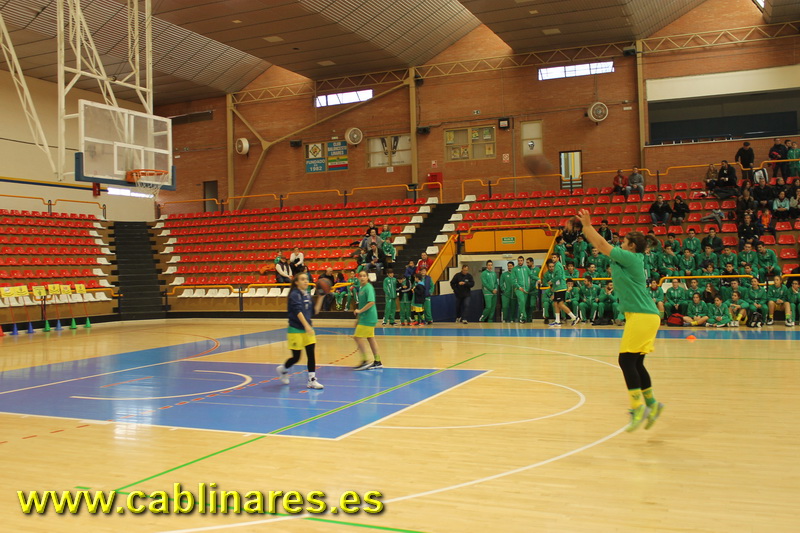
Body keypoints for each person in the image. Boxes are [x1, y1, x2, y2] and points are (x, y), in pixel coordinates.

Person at [575, 209, 665, 431]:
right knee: (636, 362)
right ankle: (652, 404)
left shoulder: (631, 257)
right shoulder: (630, 258)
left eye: (623, 242)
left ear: (632, 246)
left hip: (643, 316)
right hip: (643, 315)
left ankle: (637, 408)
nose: (620, 244)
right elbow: (604, 248)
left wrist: (587, 226)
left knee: (625, 361)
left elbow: (602, 245)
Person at [276, 272, 323, 390]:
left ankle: (312, 380)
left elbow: (315, 311)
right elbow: (298, 312)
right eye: (302, 279)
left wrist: (321, 297)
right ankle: (283, 369)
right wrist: (306, 326)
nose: (306, 281)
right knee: (296, 357)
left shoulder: (307, 295)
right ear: (296, 282)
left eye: (306, 279)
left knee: (311, 354)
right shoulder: (294, 294)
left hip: (307, 329)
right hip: (295, 330)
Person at [352, 270, 382, 370]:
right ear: (358, 278)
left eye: (364, 276)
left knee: (357, 337)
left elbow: (371, 302)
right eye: (360, 276)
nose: (362, 277)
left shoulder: (368, 287)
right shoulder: (361, 288)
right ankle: (378, 361)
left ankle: (365, 361)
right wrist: (358, 319)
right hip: (364, 318)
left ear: (367, 277)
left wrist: (360, 311)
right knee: (370, 338)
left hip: (369, 317)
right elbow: (361, 304)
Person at [547, 253, 579, 327]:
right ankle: (557, 320)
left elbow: (559, 276)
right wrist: (554, 286)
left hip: (561, 288)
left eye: (554, 257)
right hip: (557, 288)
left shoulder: (558, 265)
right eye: (552, 257)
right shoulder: (556, 265)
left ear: (558, 258)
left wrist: (552, 281)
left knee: (560, 304)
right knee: (555, 303)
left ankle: (574, 317)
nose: (553, 259)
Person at [512, 256, 531, 323]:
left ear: (523, 261)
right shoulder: (514, 269)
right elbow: (513, 280)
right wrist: (519, 287)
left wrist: (538, 279)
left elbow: (531, 275)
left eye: (521, 260)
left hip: (525, 289)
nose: (520, 262)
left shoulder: (526, 268)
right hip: (518, 289)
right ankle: (523, 317)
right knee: (522, 302)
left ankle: (520, 317)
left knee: (522, 304)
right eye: (519, 260)